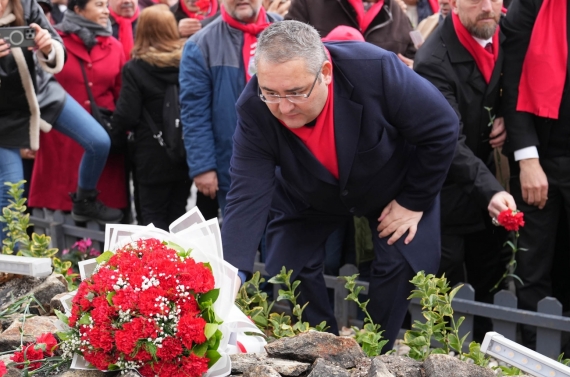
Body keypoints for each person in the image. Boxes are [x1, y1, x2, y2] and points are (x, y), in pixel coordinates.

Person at [221, 20, 459, 349]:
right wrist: (229, 274)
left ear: (326, 73)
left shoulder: (375, 69)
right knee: (291, 264)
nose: (284, 107)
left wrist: (413, 202)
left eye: (296, 92)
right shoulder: (253, 109)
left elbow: (443, 127)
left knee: (399, 261)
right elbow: (246, 193)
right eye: (271, 93)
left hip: (391, 184)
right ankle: (323, 348)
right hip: (310, 192)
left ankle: (377, 349)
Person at [414, 0, 516, 340]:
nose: (487, 7)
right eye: (474, 0)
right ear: (452, 4)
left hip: (483, 175)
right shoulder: (433, 61)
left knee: (491, 272)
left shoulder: (507, 32)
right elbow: (448, 142)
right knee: (447, 285)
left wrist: (504, 114)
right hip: (444, 185)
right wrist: (492, 190)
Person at [0, 0, 122, 232]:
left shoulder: (26, 4)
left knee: (99, 141)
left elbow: (56, 44)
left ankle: (84, 200)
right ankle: (8, 260)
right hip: (3, 110)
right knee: (11, 191)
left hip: (41, 91)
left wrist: (47, 47)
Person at [501, 0, 570, 349]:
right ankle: (537, 356)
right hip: (542, 157)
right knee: (533, 267)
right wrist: (527, 158)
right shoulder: (530, 6)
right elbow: (512, 81)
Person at [179, 0, 281, 215]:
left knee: (284, 242)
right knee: (244, 241)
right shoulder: (201, 44)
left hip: (287, 165)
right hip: (235, 167)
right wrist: (203, 167)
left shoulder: (288, 31)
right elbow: (194, 112)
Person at [28, 0, 127, 217]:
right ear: (78, 9)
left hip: (104, 147)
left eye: (106, 5)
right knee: (57, 223)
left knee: (103, 225)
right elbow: (34, 90)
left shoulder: (115, 46)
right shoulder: (53, 43)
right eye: (99, 5)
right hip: (60, 143)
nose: (106, 11)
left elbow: (121, 97)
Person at [111, 4, 191, 230]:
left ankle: (156, 266)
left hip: (151, 155)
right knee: (178, 215)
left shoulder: (136, 68)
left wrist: (111, 135)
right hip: (184, 152)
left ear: (142, 31)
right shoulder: (187, 63)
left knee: (152, 221)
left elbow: (126, 115)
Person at [285, 0, 416, 66]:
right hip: (324, 101)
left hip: (377, 106)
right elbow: (284, 48)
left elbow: (412, 58)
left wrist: (412, 70)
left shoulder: (398, 13)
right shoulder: (309, 3)